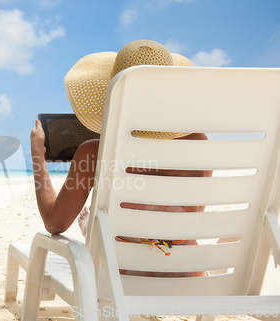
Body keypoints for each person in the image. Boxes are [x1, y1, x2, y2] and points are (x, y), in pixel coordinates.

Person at [31, 40, 212, 264]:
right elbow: (190, 219)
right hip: (184, 273)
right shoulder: (200, 144)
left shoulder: (93, 153)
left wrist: (38, 156)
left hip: (117, 280)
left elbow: (54, 223)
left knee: (99, 229)